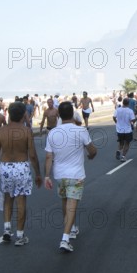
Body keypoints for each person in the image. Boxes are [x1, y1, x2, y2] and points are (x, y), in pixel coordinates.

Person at [44, 101, 97, 253]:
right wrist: (91, 155)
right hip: (76, 174)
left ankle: (72, 228)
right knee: (72, 204)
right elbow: (92, 150)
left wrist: (47, 176)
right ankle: (65, 239)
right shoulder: (80, 131)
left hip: (59, 175)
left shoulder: (53, 132)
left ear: (59, 115)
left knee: (65, 201)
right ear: (73, 114)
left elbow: (48, 157)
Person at [0, 101, 42, 246]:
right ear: (23, 114)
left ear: (9, 114)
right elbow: (33, 155)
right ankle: (20, 235)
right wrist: (38, 174)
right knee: (21, 200)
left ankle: (6, 230)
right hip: (21, 167)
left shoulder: (1, 131)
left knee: (7, 199)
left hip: (5, 166)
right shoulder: (26, 132)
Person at [113, 98, 135, 162]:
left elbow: (114, 117)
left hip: (119, 130)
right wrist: (133, 121)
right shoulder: (130, 111)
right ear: (128, 103)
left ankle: (118, 150)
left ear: (123, 102)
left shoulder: (118, 110)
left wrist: (116, 122)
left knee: (121, 142)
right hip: (128, 130)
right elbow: (132, 120)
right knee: (127, 143)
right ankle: (123, 156)